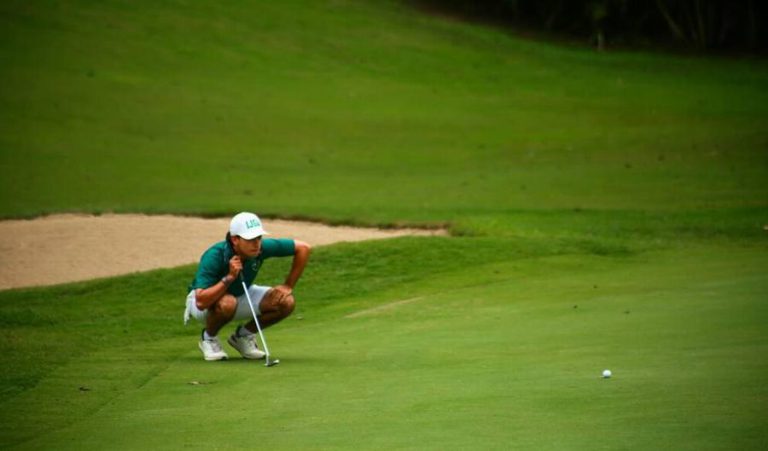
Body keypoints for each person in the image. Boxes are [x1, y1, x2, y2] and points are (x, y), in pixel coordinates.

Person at [184, 212, 311, 361]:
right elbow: (201, 301)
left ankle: (242, 337)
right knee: (228, 302)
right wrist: (230, 277)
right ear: (235, 239)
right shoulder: (215, 255)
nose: (256, 243)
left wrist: (288, 285)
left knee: (286, 302)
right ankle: (209, 338)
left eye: (258, 238)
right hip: (205, 304)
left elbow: (304, 248)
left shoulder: (260, 248)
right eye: (250, 239)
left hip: (239, 296)